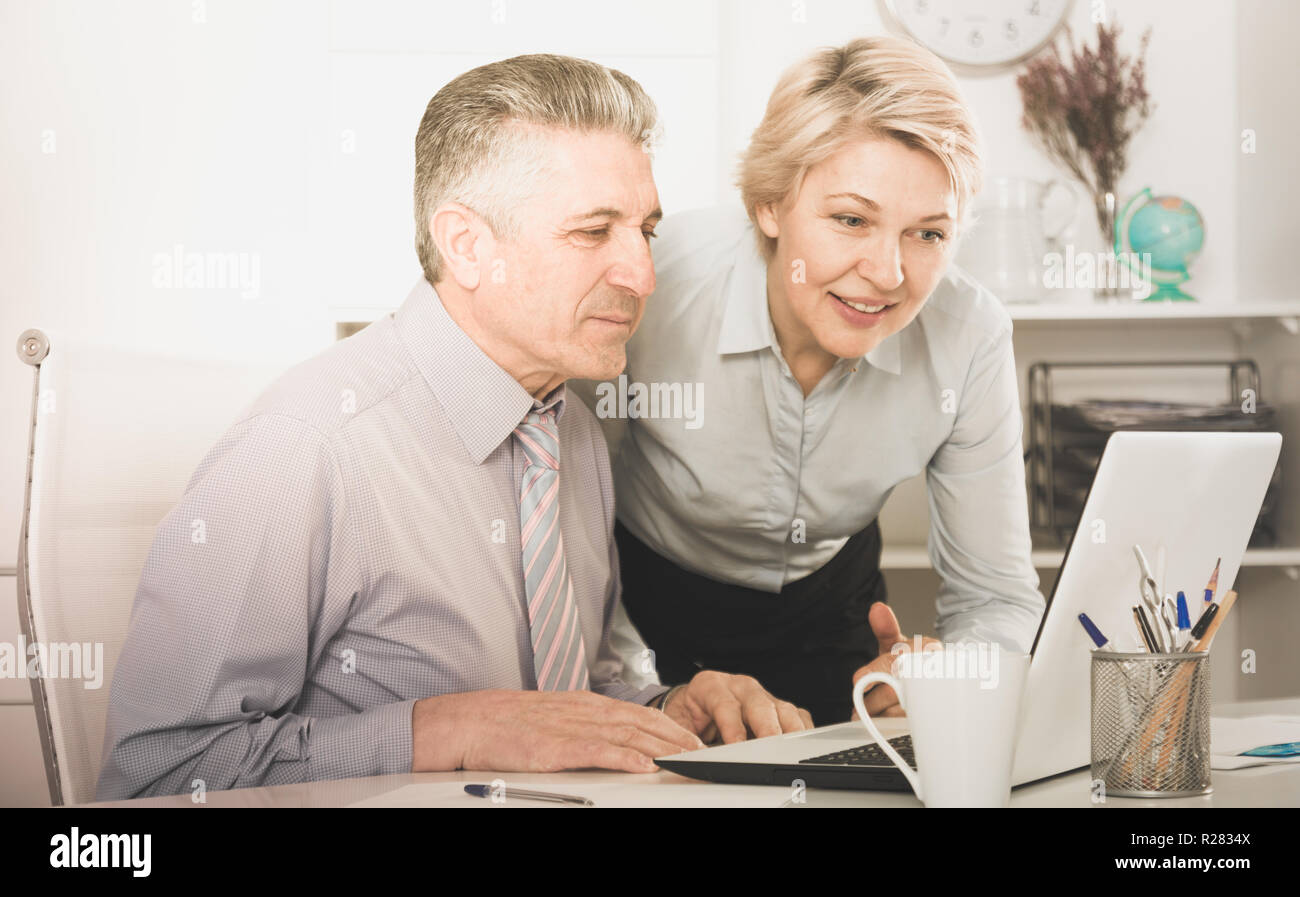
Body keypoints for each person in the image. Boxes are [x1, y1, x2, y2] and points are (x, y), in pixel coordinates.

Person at [96, 53, 812, 801]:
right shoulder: (305, 448)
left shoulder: (572, 428)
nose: (642, 275)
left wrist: (666, 707)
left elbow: (575, 698)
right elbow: (156, 776)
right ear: (467, 245)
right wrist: (450, 731)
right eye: (594, 231)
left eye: (646, 231)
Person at [588, 36, 1046, 726]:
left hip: (831, 603)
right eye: (851, 220)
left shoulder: (970, 334)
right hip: (643, 599)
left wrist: (954, 679)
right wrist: (636, 691)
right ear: (771, 204)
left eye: (928, 234)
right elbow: (569, 538)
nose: (888, 273)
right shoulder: (653, 282)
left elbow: (996, 597)